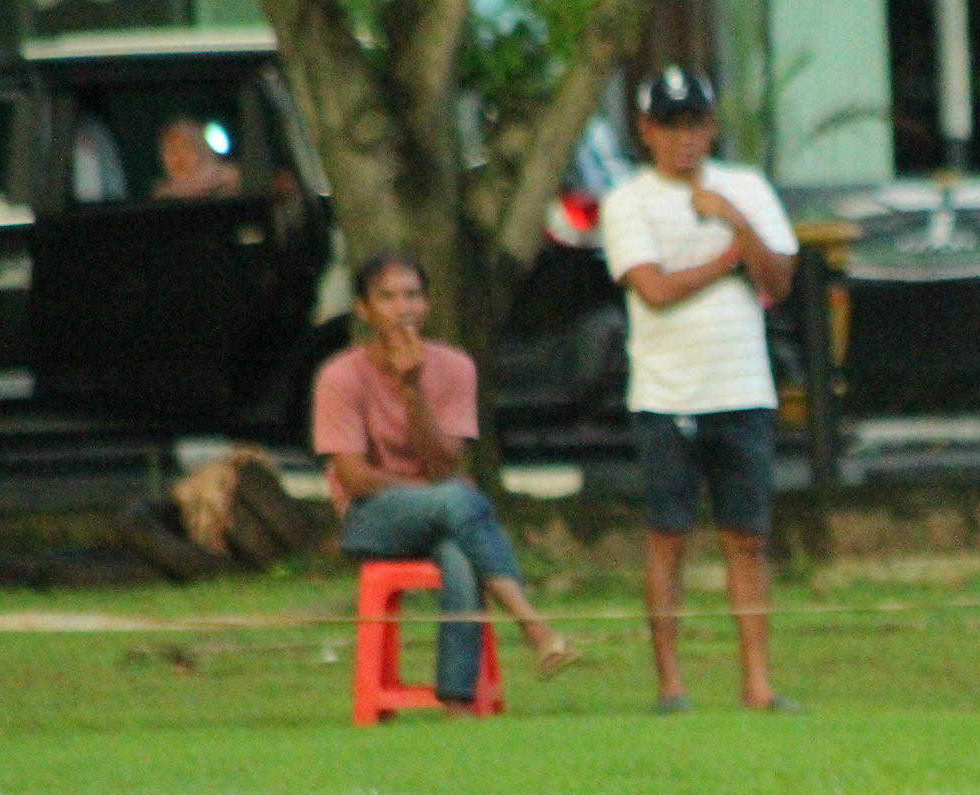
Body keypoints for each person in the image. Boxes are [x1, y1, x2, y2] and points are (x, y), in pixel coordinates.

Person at [599, 67, 801, 714]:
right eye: (670, 126)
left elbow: (781, 277)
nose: (684, 139)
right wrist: (725, 262)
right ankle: (671, 683)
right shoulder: (627, 201)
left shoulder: (745, 189)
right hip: (665, 397)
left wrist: (736, 223)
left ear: (711, 127)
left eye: (695, 124)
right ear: (646, 130)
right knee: (669, 536)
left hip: (742, 388)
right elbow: (652, 290)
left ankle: (758, 681)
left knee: (748, 538)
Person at [314, 252, 579, 714]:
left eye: (413, 295)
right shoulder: (339, 377)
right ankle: (535, 629)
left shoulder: (456, 368)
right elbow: (354, 480)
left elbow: (443, 465)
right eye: (387, 297)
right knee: (460, 500)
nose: (403, 308)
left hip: (445, 514)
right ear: (363, 309)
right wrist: (445, 496)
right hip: (370, 519)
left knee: (460, 553)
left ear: (429, 305)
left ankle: (458, 704)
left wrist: (412, 388)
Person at [152, 117, 241, 201]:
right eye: (171, 150)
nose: (178, 157)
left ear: (200, 148)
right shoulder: (165, 195)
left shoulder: (229, 180)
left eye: (184, 148)